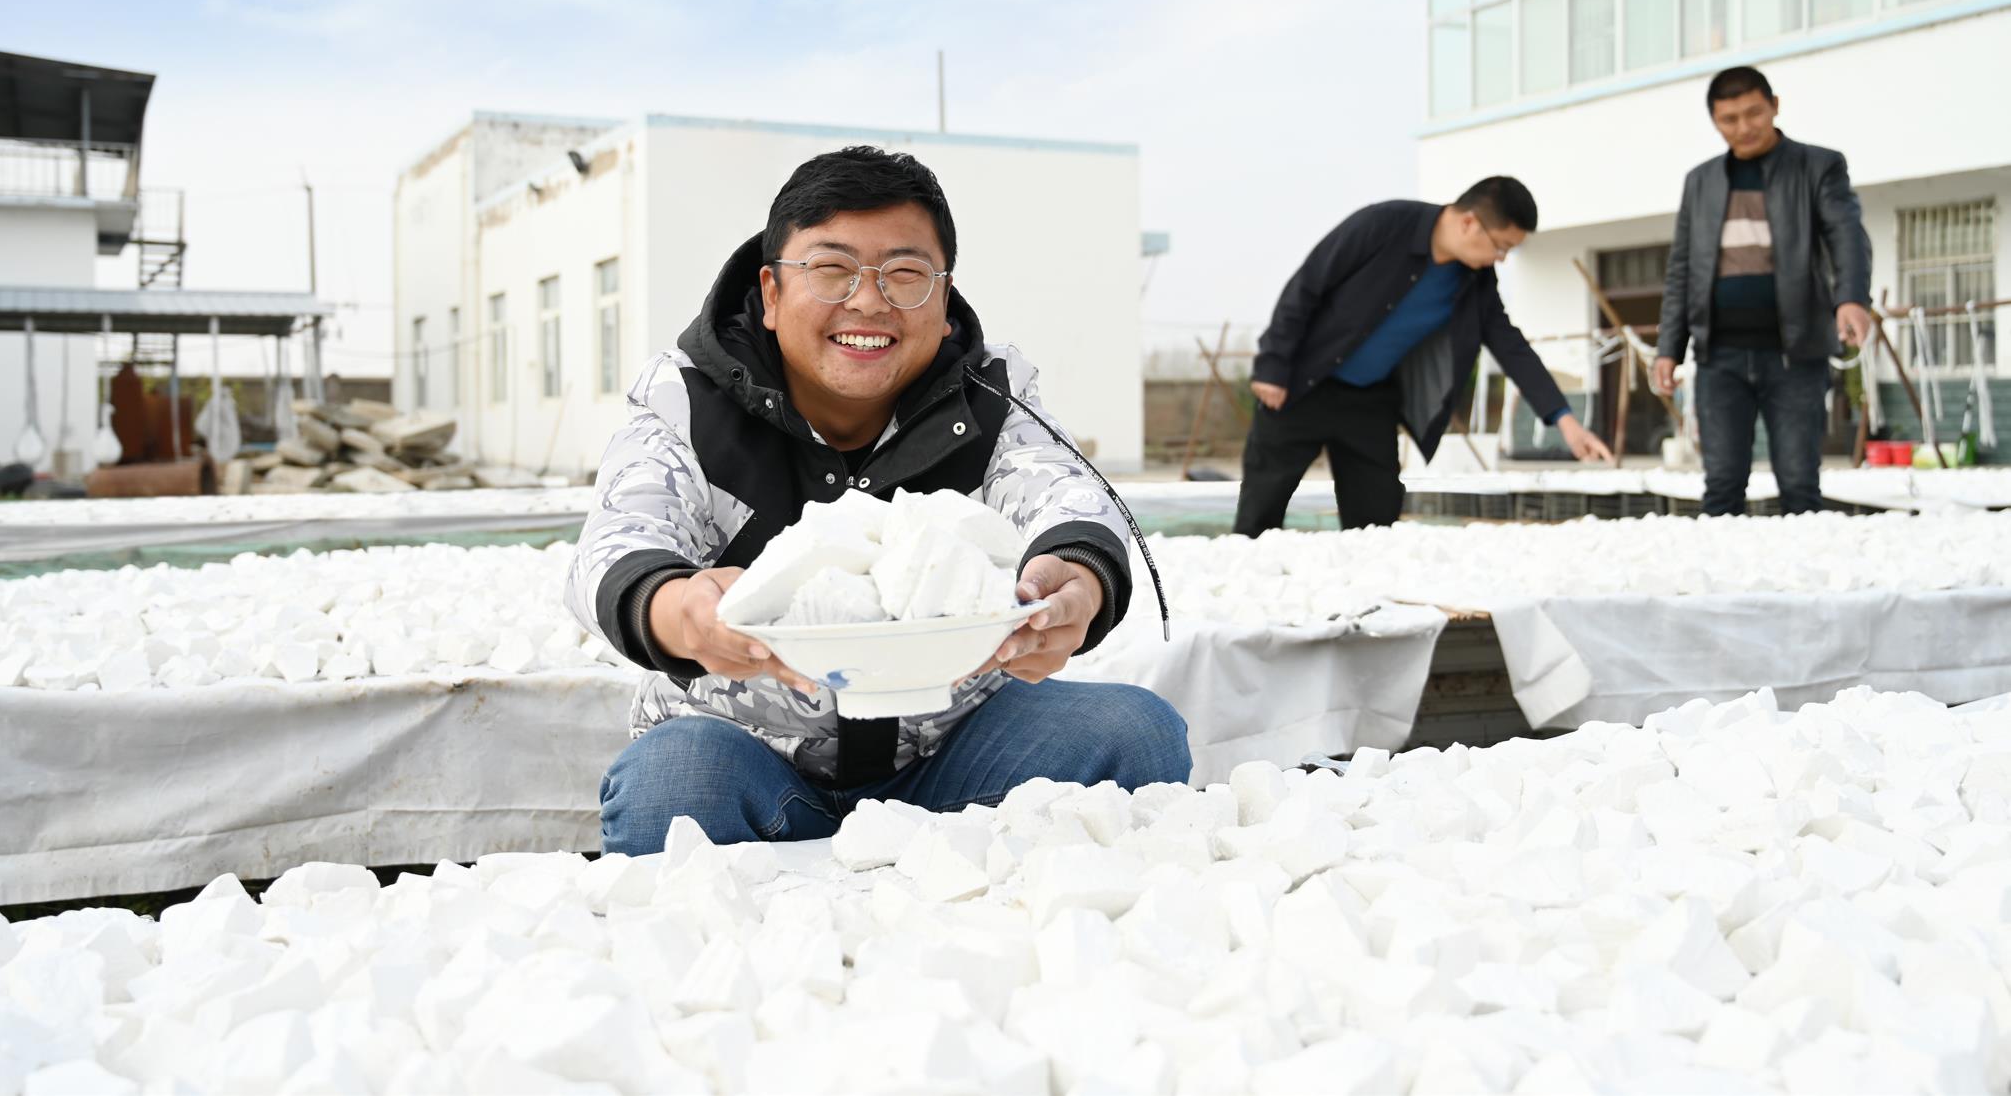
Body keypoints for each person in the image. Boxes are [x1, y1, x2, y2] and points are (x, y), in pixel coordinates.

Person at [566, 145, 1190, 854]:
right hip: (749, 758)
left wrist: (1074, 581)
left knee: (1136, 734)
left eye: (905, 274)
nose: (868, 301)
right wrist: (684, 613)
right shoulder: (688, 401)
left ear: (945, 300)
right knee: (672, 786)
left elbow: (1062, 493)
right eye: (831, 270)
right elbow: (616, 542)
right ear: (771, 295)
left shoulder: (988, 396)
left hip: (953, 751)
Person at [1235, 178, 1613, 536]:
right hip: (1302, 386)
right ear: (1469, 223)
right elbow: (1308, 285)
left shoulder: (1475, 280)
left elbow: (1509, 345)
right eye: (1501, 247)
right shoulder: (1383, 224)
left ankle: (1371, 601)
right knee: (1260, 513)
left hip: (1370, 402)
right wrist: (1273, 365)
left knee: (1377, 522)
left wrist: (1565, 421)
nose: (1501, 259)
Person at [1654, 66, 1872, 516]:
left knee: (1798, 483)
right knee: (1721, 486)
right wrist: (1668, 348)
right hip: (1719, 358)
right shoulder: (1701, 181)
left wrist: (1851, 297)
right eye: (1728, 119)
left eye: (1753, 113)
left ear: (1775, 105)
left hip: (1795, 354)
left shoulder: (1819, 166)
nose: (1743, 127)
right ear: (1715, 121)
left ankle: (1804, 582)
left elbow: (1846, 234)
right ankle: (1723, 583)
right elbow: (1682, 269)